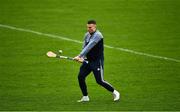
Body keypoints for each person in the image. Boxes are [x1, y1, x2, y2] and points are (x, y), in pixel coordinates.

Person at [73, 20, 120, 102]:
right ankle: (85, 97)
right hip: (88, 60)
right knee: (81, 77)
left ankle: (115, 92)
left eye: (90, 27)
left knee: (99, 81)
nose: (88, 29)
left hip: (97, 61)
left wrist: (79, 56)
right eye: (87, 27)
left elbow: (89, 46)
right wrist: (82, 57)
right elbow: (84, 47)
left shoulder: (98, 35)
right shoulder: (86, 35)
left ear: (95, 26)